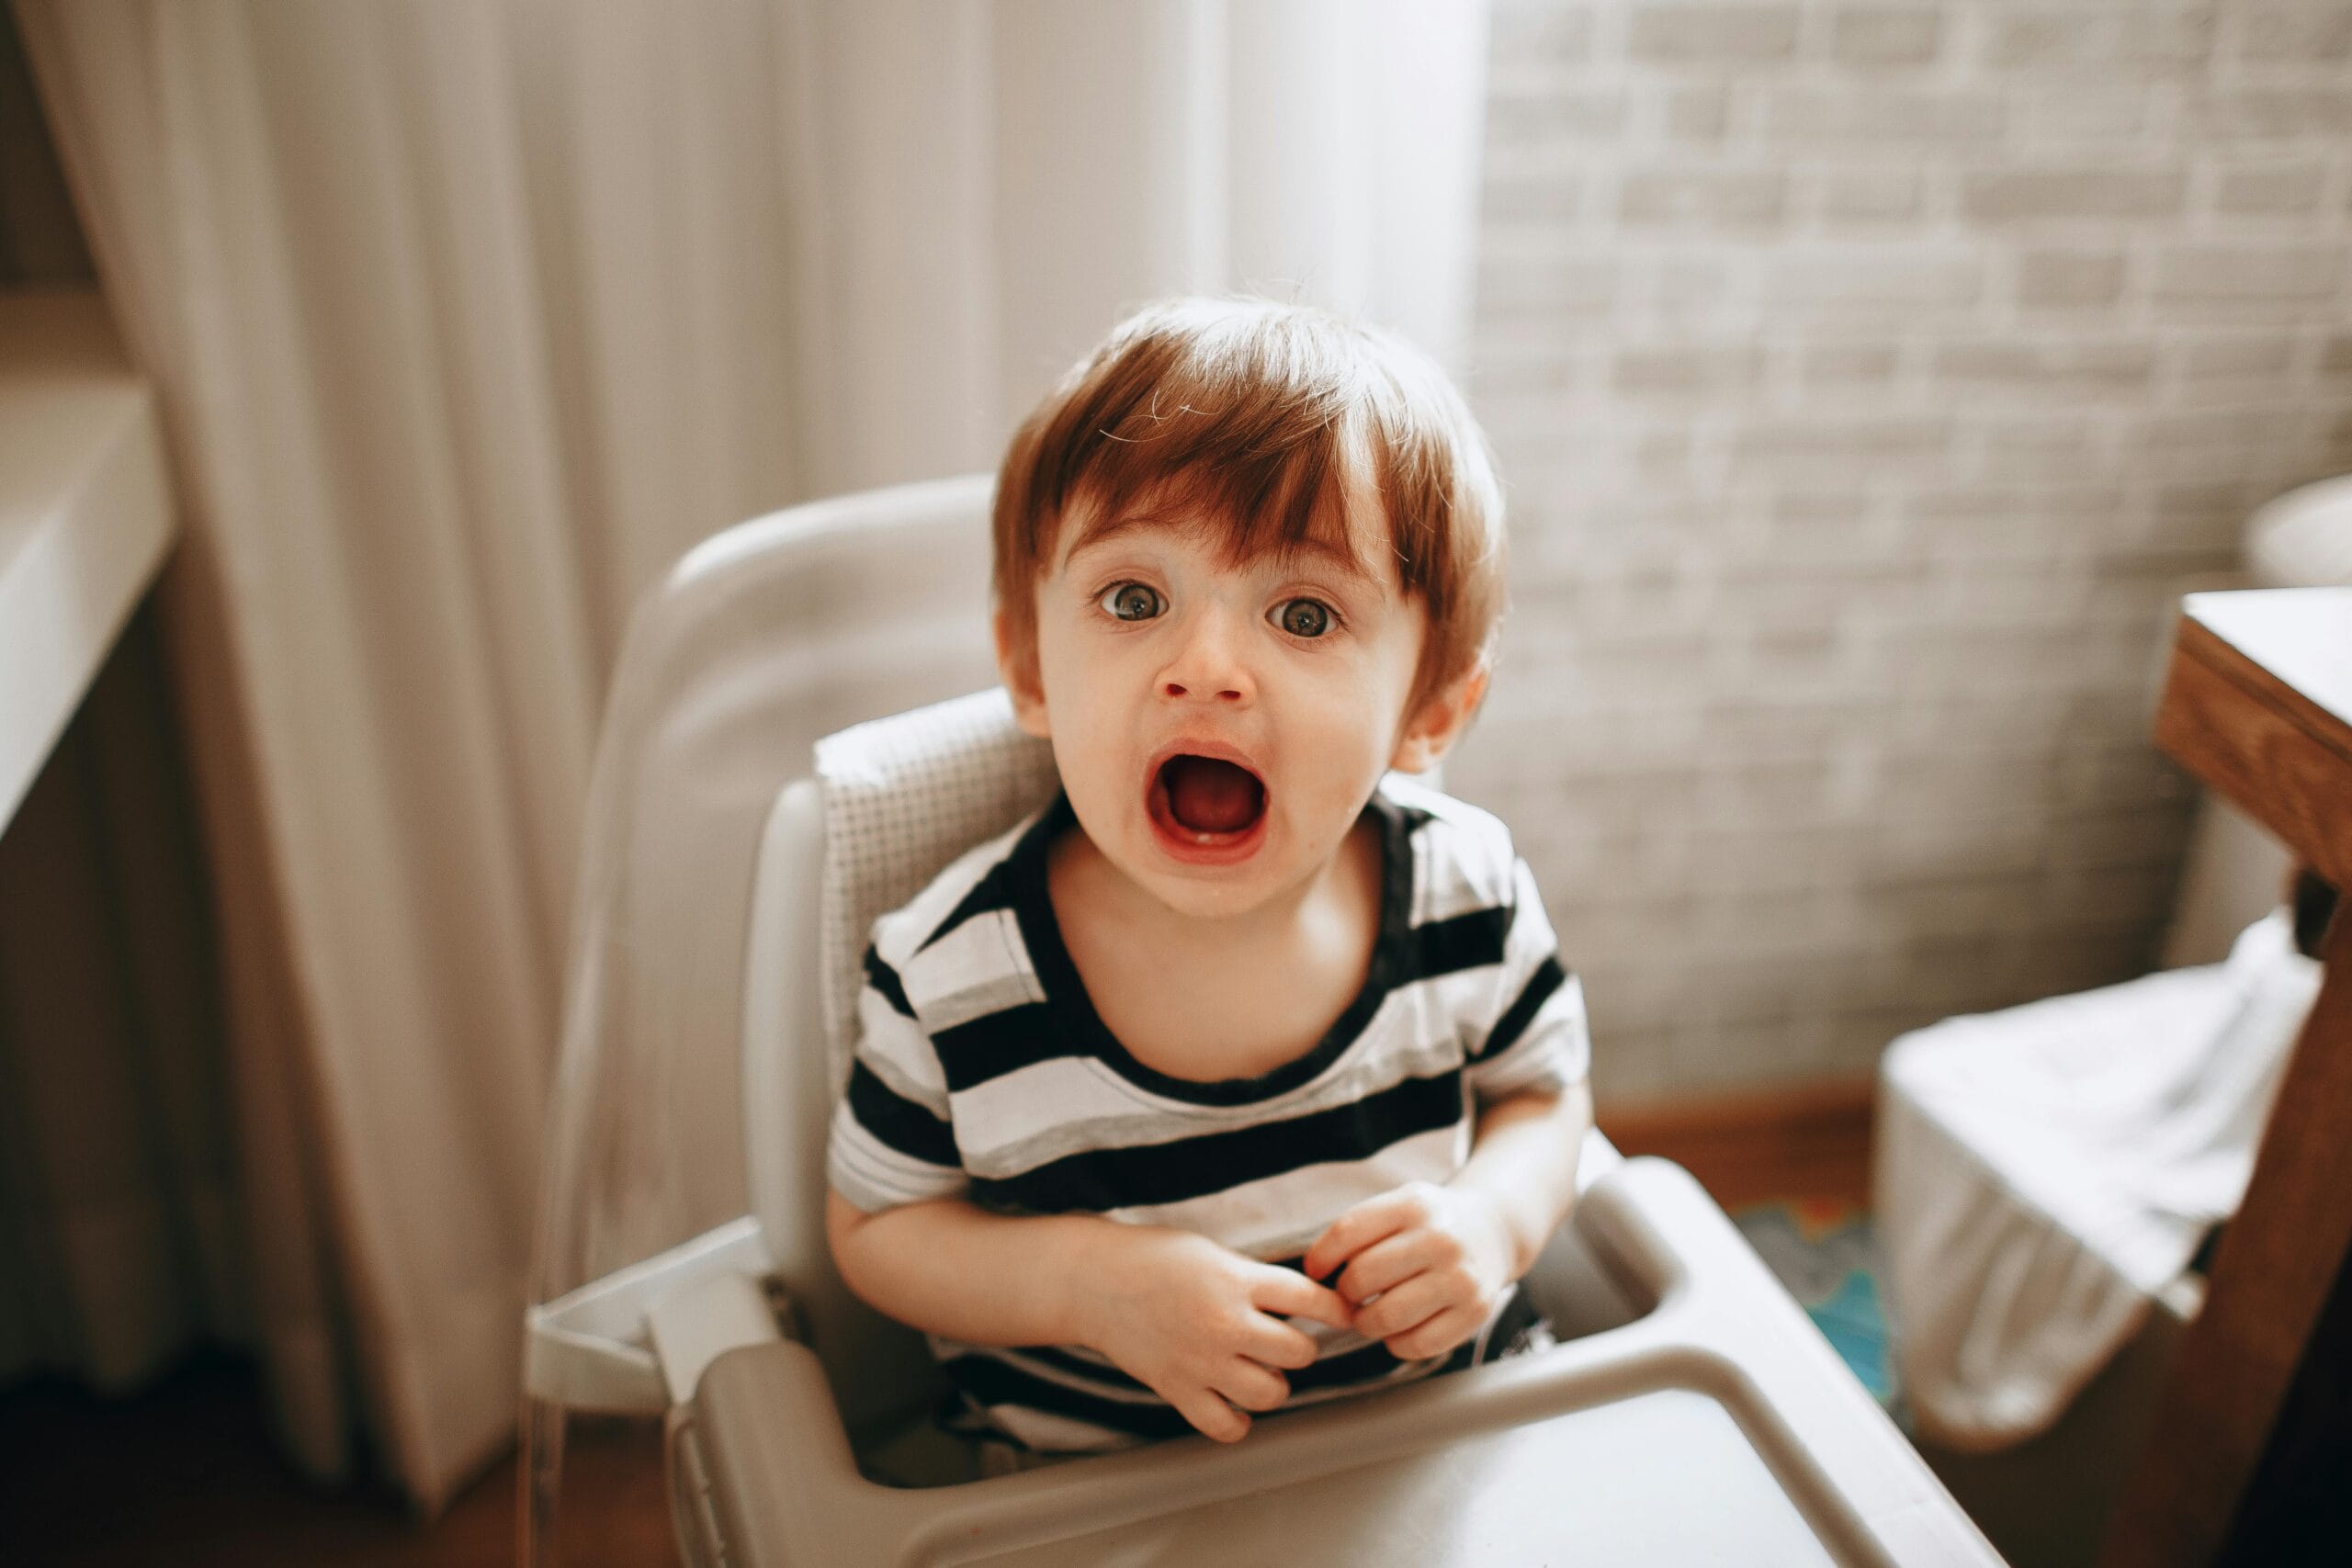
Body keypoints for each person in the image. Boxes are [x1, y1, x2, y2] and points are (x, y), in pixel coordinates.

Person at [825, 298, 1593, 1465]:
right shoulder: (950, 978)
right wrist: (1090, 1287)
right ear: (1030, 668)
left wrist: (1492, 1220)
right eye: (1135, 601)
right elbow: (878, 1225)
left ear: (1430, 710)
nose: (1207, 671)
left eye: (1302, 612)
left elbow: (1544, 1098)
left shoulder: (1464, 894)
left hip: (1435, 1454)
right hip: (1092, 1501)